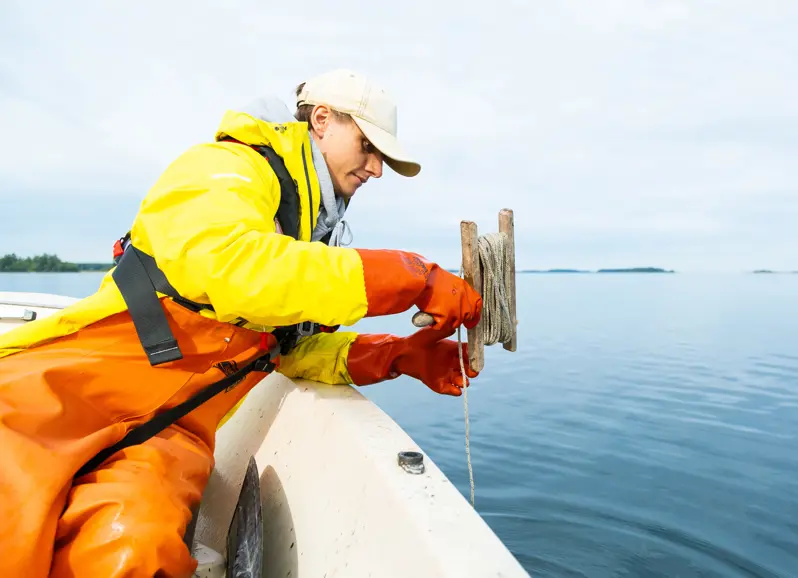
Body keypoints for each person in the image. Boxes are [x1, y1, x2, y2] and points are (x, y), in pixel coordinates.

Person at [0, 68, 483, 578]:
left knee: (136, 554)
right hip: (67, 391)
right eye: (367, 147)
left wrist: (395, 355)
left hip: (172, 433)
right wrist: (407, 278)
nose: (376, 169)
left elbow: (285, 352)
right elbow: (233, 269)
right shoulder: (225, 168)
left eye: (381, 157)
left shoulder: (311, 238)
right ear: (322, 120)